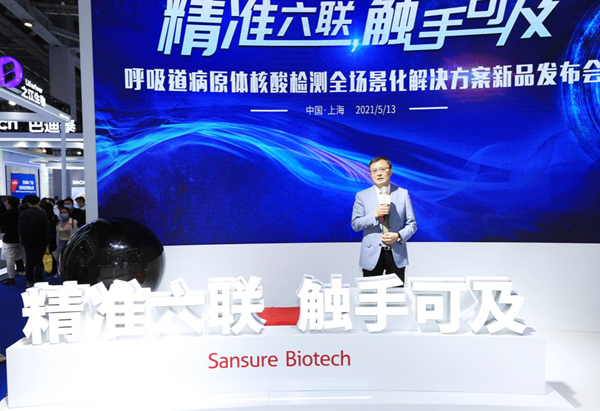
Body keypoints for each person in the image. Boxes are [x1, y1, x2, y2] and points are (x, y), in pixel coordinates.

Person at [351, 156, 417, 286]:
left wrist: (398, 236)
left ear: (390, 171)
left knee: (396, 295)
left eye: (382, 169)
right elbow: (355, 224)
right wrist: (375, 214)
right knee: (369, 295)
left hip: (396, 254)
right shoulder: (362, 196)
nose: (379, 173)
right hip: (371, 255)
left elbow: (412, 225)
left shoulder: (403, 194)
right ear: (370, 174)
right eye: (374, 171)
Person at [19, 195, 50, 288]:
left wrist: (23, 240)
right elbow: (46, 228)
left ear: (28, 203)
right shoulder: (42, 213)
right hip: (40, 240)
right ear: (38, 202)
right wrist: (47, 240)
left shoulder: (23, 213)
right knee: (39, 260)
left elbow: (20, 228)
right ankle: (39, 280)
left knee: (29, 261)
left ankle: (29, 281)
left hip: (28, 241)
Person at [0, 197, 25, 285]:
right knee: (25, 258)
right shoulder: (22, 213)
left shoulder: (4, 214)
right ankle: (31, 275)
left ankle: (11, 278)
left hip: (9, 239)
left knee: (10, 260)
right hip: (21, 239)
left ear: (9, 205)